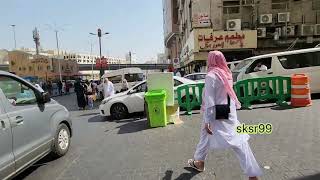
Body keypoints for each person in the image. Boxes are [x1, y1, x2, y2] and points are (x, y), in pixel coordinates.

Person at [187, 51, 263, 180]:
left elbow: (210, 100)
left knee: (236, 141)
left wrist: (208, 121)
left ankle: (252, 174)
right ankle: (199, 161)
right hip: (228, 110)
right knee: (209, 137)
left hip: (215, 112)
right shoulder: (226, 73)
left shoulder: (211, 75)